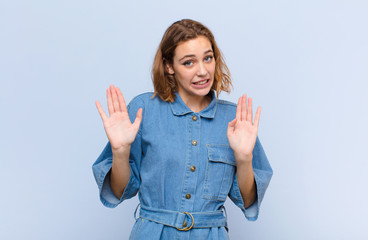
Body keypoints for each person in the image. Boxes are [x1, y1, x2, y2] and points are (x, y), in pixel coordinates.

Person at [92, 19, 273, 239]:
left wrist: (244, 159)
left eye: (208, 58)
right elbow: (119, 191)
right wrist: (120, 152)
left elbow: (247, 200)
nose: (203, 71)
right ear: (169, 66)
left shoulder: (235, 119)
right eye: (189, 62)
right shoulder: (143, 110)